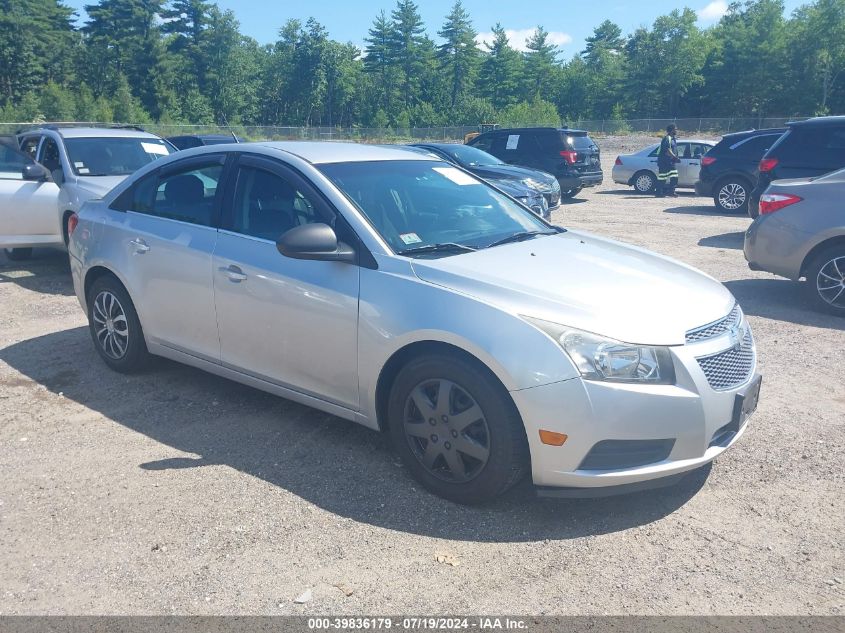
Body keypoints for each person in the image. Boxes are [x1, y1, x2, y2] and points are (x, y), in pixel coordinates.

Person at [655, 124, 679, 198]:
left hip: (670, 162)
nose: (676, 130)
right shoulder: (667, 138)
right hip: (664, 162)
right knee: (662, 177)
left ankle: (671, 192)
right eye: (675, 129)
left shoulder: (673, 139)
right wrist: (674, 157)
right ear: (672, 130)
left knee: (674, 176)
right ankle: (659, 193)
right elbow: (667, 150)